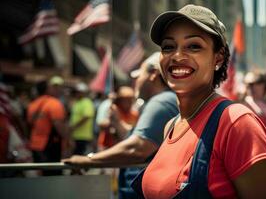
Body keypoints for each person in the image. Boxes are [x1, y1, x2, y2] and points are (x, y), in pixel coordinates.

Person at [132, 4, 266, 199]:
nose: (177, 56)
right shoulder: (171, 126)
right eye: (168, 47)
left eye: (194, 46)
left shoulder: (237, 123)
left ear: (218, 58)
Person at [62, 52, 179, 199]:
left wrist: (89, 160)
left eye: (139, 75)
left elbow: (137, 148)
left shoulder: (160, 102)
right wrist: (117, 122)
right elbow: (144, 139)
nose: (135, 81)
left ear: (153, 74)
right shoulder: (166, 100)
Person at [27, 76, 68, 175]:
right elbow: (58, 125)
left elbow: (29, 124)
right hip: (49, 147)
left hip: (34, 145)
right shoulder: (54, 103)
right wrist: (69, 139)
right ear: (48, 89)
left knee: (40, 175)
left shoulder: (32, 105)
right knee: (52, 176)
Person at [69, 82, 95, 155]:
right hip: (76, 135)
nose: (77, 94)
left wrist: (74, 126)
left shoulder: (87, 102)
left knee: (81, 156)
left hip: (84, 136)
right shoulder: (77, 102)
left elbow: (86, 116)